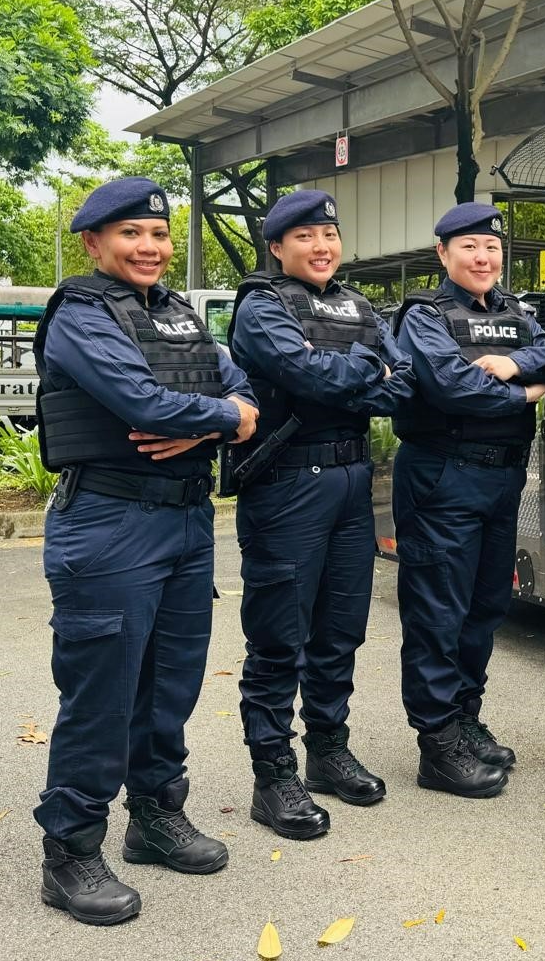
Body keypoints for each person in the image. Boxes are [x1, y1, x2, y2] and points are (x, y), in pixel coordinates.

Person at [32, 177, 259, 925]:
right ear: (93, 242)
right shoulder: (81, 313)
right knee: (101, 694)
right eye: (132, 235)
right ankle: (69, 850)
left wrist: (213, 422)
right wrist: (225, 416)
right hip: (109, 520)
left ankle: (156, 818)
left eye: (159, 236)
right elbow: (141, 402)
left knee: (169, 686)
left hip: (187, 521)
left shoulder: (181, 315)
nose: (151, 248)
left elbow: (243, 391)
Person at [226, 189, 413, 840]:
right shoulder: (261, 306)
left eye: (329, 235)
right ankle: (271, 773)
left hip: (353, 480)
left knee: (340, 630)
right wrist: (367, 366)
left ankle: (326, 750)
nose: (322, 246)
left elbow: (406, 381)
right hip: (287, 483)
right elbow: (316, 380)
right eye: (305, 236)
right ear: (277, 247)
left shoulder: (357, 304)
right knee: (279, 636)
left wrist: (356, 371)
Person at [391, 202, 545, 798]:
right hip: (443, 474)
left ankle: (465, 716)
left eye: (492, 248)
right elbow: (450, 386)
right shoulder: (423, 314)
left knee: (484, 607)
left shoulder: (519, 313)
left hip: (501, 478)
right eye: (469, 247)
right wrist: (527, 393)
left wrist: (522, 365)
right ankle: (436, 743)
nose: (484, 257)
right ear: (444, 254)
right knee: (438, 611)